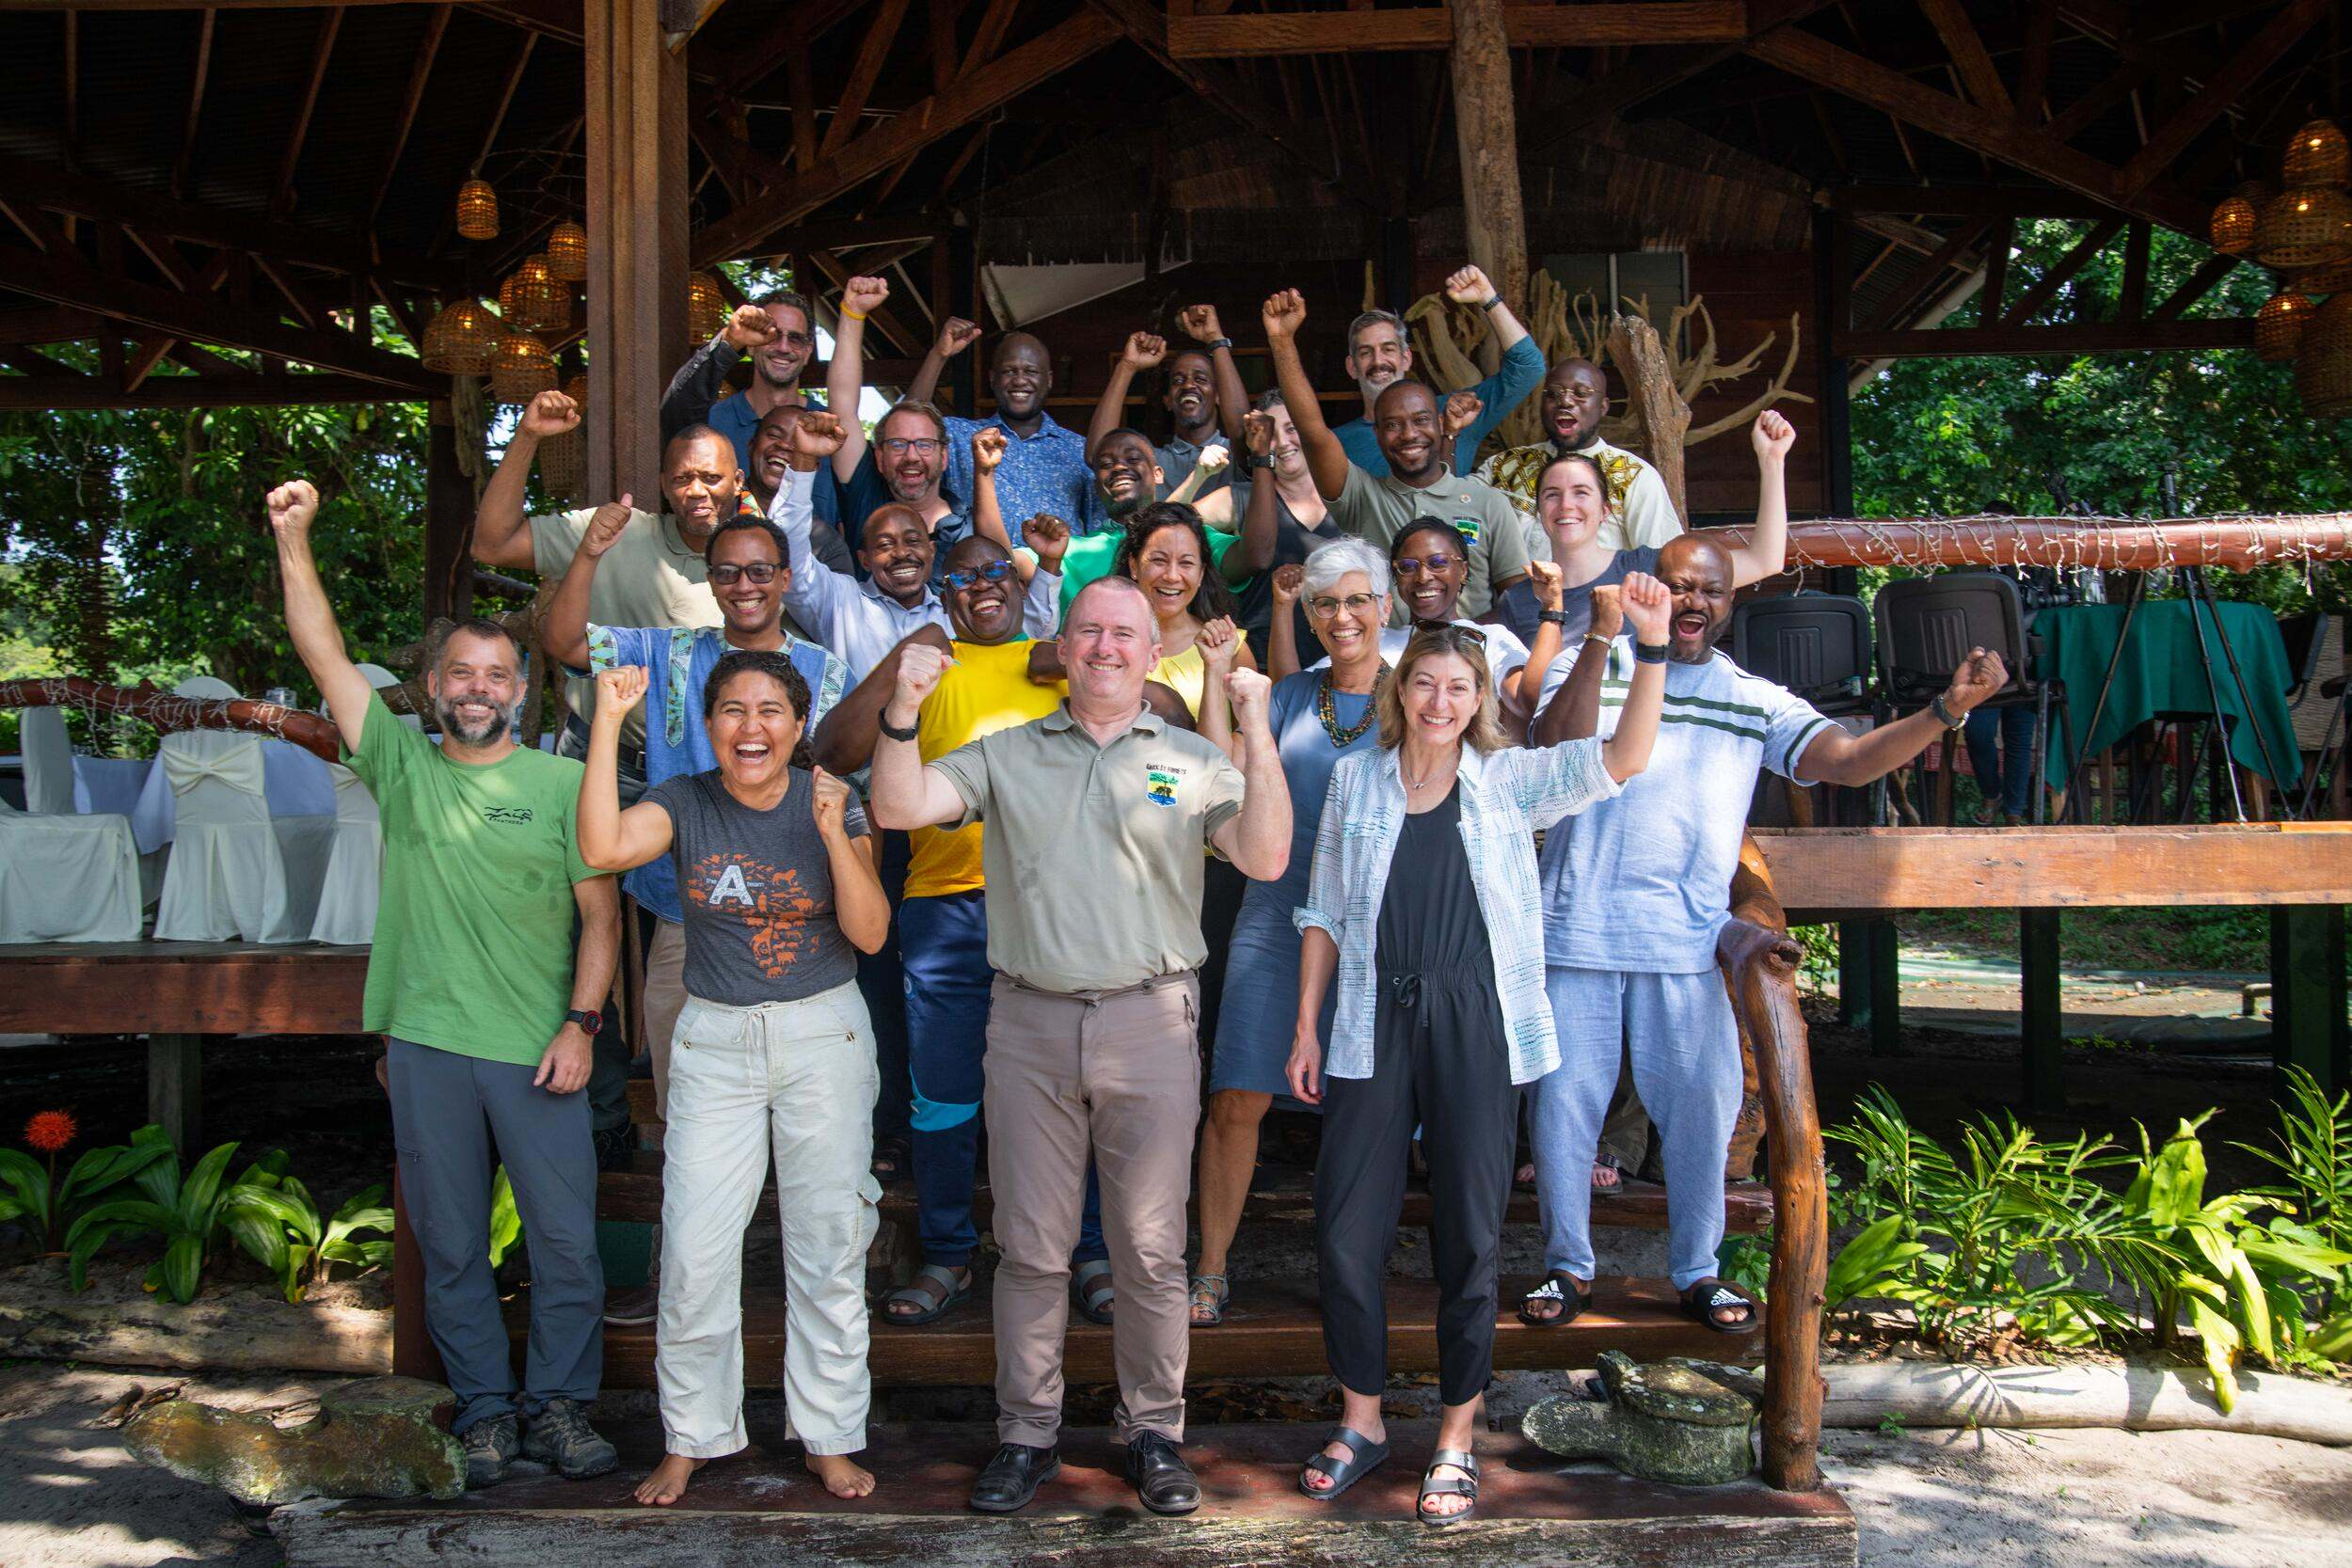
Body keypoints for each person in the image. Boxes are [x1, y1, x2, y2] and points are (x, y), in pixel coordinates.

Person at [869, 575, 1293, 1518]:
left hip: (1152, 1019)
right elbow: (899, 807)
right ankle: (1025, 1433)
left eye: (1123, 634)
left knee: (1148, 1248)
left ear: (1151, 653)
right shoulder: (1007, 751)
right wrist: (902, 709)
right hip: (1028, 1020)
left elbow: (1264, 855)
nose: (1104, 646)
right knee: (1030, 1248)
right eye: (1088, 630)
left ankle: (1154, 1431)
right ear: (1064, 646)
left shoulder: (1188, 756)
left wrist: (1255, 729)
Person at [1522, 532, 2010, 1337]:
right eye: (1678, 586)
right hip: (1577, 928)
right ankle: (1567, 1264)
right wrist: (1609, 635)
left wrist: (1942, 710)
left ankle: (1697, 1271)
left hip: (1684, 941)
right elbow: (1551, 744)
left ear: (1729, 603)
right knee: (1564, 1112)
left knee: (1702, 1110)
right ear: (1653, 588)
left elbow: (1847, 761)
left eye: (1709, 591)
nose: (1693, 603)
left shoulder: (1750, 696)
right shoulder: (1595, 660)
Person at [1286, 582, 1673, 1524]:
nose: (1439, 701)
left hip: (1478, 1018)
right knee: (1344, 1231)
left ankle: (1455, 1435)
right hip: (1372, 1016)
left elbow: (1625, 754)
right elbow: (1325, 911)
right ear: (1399, 690)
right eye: (1424, 682)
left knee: (1467, 1232)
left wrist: (1650, 652)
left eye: (1458, 686)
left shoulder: (1511, 778)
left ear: (1478, 698)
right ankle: (1364, 1420)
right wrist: (1305, 1023)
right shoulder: (1354, 780)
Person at [269, 479, 621, 1491]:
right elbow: (324, 655)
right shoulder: (401, 764)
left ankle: (558, 1406)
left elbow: (600, 921)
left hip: (538, 1049)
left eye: (496, 673)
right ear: (432, 687)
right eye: (459, 672)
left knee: (562, 1243)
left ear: (523, 690)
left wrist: (583, 1023)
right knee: (455, 1248)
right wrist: (294, 538)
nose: (476, 686)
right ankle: (484, 1413)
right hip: (424, 1042)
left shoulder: (564, 785)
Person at [577, 655, 888, 1508]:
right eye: (731, 710)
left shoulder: (834, 795)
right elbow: (602, 845)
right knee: (694, 1250)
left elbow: (869, 933)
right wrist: (607, 722)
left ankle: (829, 1434)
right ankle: (693, 1436)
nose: (752, 727)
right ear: (708, 722)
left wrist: (831, 832)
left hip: (821, 1030)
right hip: (715, 1041)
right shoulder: (683, 799)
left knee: (827, 1243)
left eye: (771, 711)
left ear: (798, 720)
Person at [811, 537, 1118, 1332]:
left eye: (996, 571)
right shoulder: (925, 665)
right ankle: (948, 1250)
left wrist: (1080, 664)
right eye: (963, 578)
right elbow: (832, 751)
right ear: (942, 595)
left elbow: (1171, 718)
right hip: (945, 907)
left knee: (1069, 1090)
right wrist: (903, 666)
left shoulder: (1056, 659)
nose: (983, 586)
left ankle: (1086, 1250)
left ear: (1021, 583)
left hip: (1057, 907)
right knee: (942, 1095)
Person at [540, 493, 850, 1134]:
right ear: (710, 581)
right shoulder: (663, 652)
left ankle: (779, 1235)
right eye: (728, 572)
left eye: (761, 570)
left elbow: (847, 797)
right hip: (687, 917)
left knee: (803, 1115)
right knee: (689, 1110)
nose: (745, 585)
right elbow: (564, 639)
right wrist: (591, 550)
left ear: (786, 579)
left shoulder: (826, 673)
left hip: (801, 919)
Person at [1188, 538, 1391, 1329]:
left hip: (1375, 931)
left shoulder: (1413, 693)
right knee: (1238, 1094)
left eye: (1355, 600)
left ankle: (1349, 1273)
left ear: (1382, 606)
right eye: (1325, 604)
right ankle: (1210, 1268)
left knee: (1363, 1109)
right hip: (1275, 918)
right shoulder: (1287, 696)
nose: (1342, 617)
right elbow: (1218, 768)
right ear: (1308, 615)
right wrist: (1213, 678)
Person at [471, 391, 741, 779]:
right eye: (683, 478)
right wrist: (528, 436)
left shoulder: (755, 567)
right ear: (664, 485)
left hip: (706, 773)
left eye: (711, 478)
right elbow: (492, 544)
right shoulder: (618, 530)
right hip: (600, 760)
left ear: (737, 481)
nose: (697, 490)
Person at [1263, 288, 1533, 622]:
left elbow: (1517, 597)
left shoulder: (1488, 502)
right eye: (1392, 425)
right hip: (1383, 663)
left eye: (1420, 420)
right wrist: (1282, 340)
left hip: (1470, 659)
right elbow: (1313, 432)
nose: (1408, 435)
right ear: (1376, 434)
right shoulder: (1363, 497)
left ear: (1440, 422)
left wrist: (1458, 638)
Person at [773, 413, 1058, 683]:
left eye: (912, 541)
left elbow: (1031, 628)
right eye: (885, 544)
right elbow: (789, 553)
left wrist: (1049, 563)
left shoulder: (954, 611)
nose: (901, 553)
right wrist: (803, 459)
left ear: (931, 552)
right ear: (865, 560)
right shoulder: (839, 601)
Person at [1269, 520, 1546, 726]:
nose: (1423, 576)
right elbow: (1293, 694)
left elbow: (1528, 702)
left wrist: (1552, 612)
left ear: (1462, 570)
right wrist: (1283, 605)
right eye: (1408, 567)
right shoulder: (1375, 639)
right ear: (1395, 577)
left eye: (1438, 562)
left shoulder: (1490, 639)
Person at [1025, 501, 1257, 723]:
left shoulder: (1229, 647)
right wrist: (1157, 695)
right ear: (1134, 566)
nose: (1172, 576)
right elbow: (1039, 662)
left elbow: (1245, 743)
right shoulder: (1103, 637)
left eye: (1186, 563)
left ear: (1201, 573)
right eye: (1158, 560)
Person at [1331, 268, 1542, 479]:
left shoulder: (1456, 413)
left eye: (1388, 349)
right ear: (1352, 367)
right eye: (1366, 352)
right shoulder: (1335, 443)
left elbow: (1528, 368)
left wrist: (1488, 297)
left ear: (1406, 359)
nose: (1378, 361)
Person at [822, 276, 976, 562]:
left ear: (944, 456)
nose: (911, 456)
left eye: (925, 444)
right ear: (879, 458)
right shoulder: (866, 495)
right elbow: (842, 408)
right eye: (897, 444)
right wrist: (852, 314)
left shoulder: (970, 524)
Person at [1475, 356, 1682, 547]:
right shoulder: (1505, 466)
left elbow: (1659, 559)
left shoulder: (1634, 475)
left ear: (1602, 407)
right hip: (1519, 588)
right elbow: (1453, 509)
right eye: (1554, 394)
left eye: (1581, 393)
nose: (1565, 401)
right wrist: (1452, 434)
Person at [920, 327, 1102, 542]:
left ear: (1049, 380)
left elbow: (1098, 532)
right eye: (1009, 371)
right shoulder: (961, 436)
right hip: (979, 573)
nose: (1019, 380)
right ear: (992, 378)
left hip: (1060, 573)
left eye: (1031, 371)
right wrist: (938, 355)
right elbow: (908, 425)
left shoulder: (1078, 449)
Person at [1219, 392, 1342, 664]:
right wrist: (1198, 477)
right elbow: (1170, 522)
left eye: (1292, 429)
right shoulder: (1240, 498)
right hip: (1259, 669)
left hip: (1335, 667)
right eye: (1272, 433)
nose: (1283, 442)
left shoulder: (1347, 495)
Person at [1086, 309, 1249, 496]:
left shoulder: (1235, 453)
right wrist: (1127, 365)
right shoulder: (1152, 462)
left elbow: (1241, 432)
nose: (1188, 385)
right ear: (1168, 401)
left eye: (1201, 379)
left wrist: (1216, 339)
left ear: (1219, 396)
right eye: (1178, 381)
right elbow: (1097, 455)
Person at [660, 296, 825, 476]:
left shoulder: (827, 433)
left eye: (795, 339)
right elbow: (675, 415)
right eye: (773, 335)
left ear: (808, 350)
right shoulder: (712, 423)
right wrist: (729, 341)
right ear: (752, 346)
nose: (784, 348)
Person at [743, 404, 855, 577]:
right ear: (751, 446)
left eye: (798, 442)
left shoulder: (826, 543)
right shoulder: (716, 514)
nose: (785, 445)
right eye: (773, 435)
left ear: (814, 467)